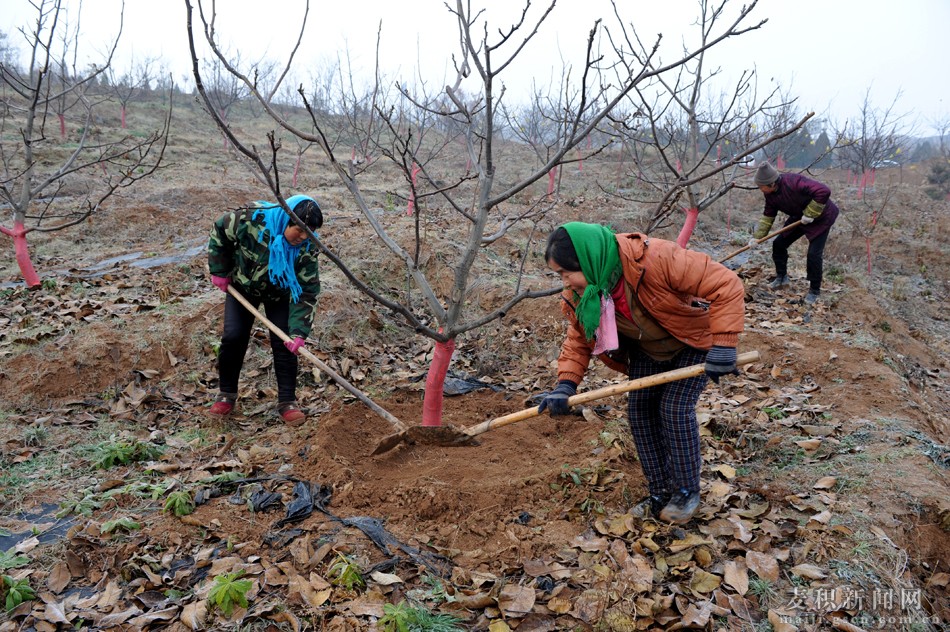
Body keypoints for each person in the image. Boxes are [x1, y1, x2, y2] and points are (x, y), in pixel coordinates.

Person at [538, 222, 745, 524]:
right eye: (558, 275)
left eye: (565, 272)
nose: (564, 281)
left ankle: (686, 491)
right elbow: (579, 338)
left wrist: (725, 344)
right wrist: (565, 385)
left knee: (674, 408)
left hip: (691, 341)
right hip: (647, 347)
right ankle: (659, 492)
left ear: (586, 260)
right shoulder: (581, 291)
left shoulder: (656, 258)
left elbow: (726, 284)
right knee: (639, 411)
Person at [206, 194, 323, 425]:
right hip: (242, 286)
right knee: (233, 336)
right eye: (299, 230)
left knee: (286, 343)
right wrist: (219, 270)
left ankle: (287, 402)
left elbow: (308, 290)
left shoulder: (308, 247)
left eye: (309, 231)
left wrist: (299, 332)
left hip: (282, 292)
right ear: (286, 219)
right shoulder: (250, 219)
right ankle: (226, 394)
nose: (303, 237)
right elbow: (220, 230)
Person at [751, 161, 839, 305]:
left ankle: (814, 291)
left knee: (813, 254)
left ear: (772, 184)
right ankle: (781, 277)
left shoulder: (794, 181)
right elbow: (768, 216)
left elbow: (824, 191)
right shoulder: (770, 195)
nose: (760, 189)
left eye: (761, 187)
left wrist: (811, 213)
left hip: (821, 217)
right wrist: (757, 238)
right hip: (799, 217)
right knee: (779, 244)